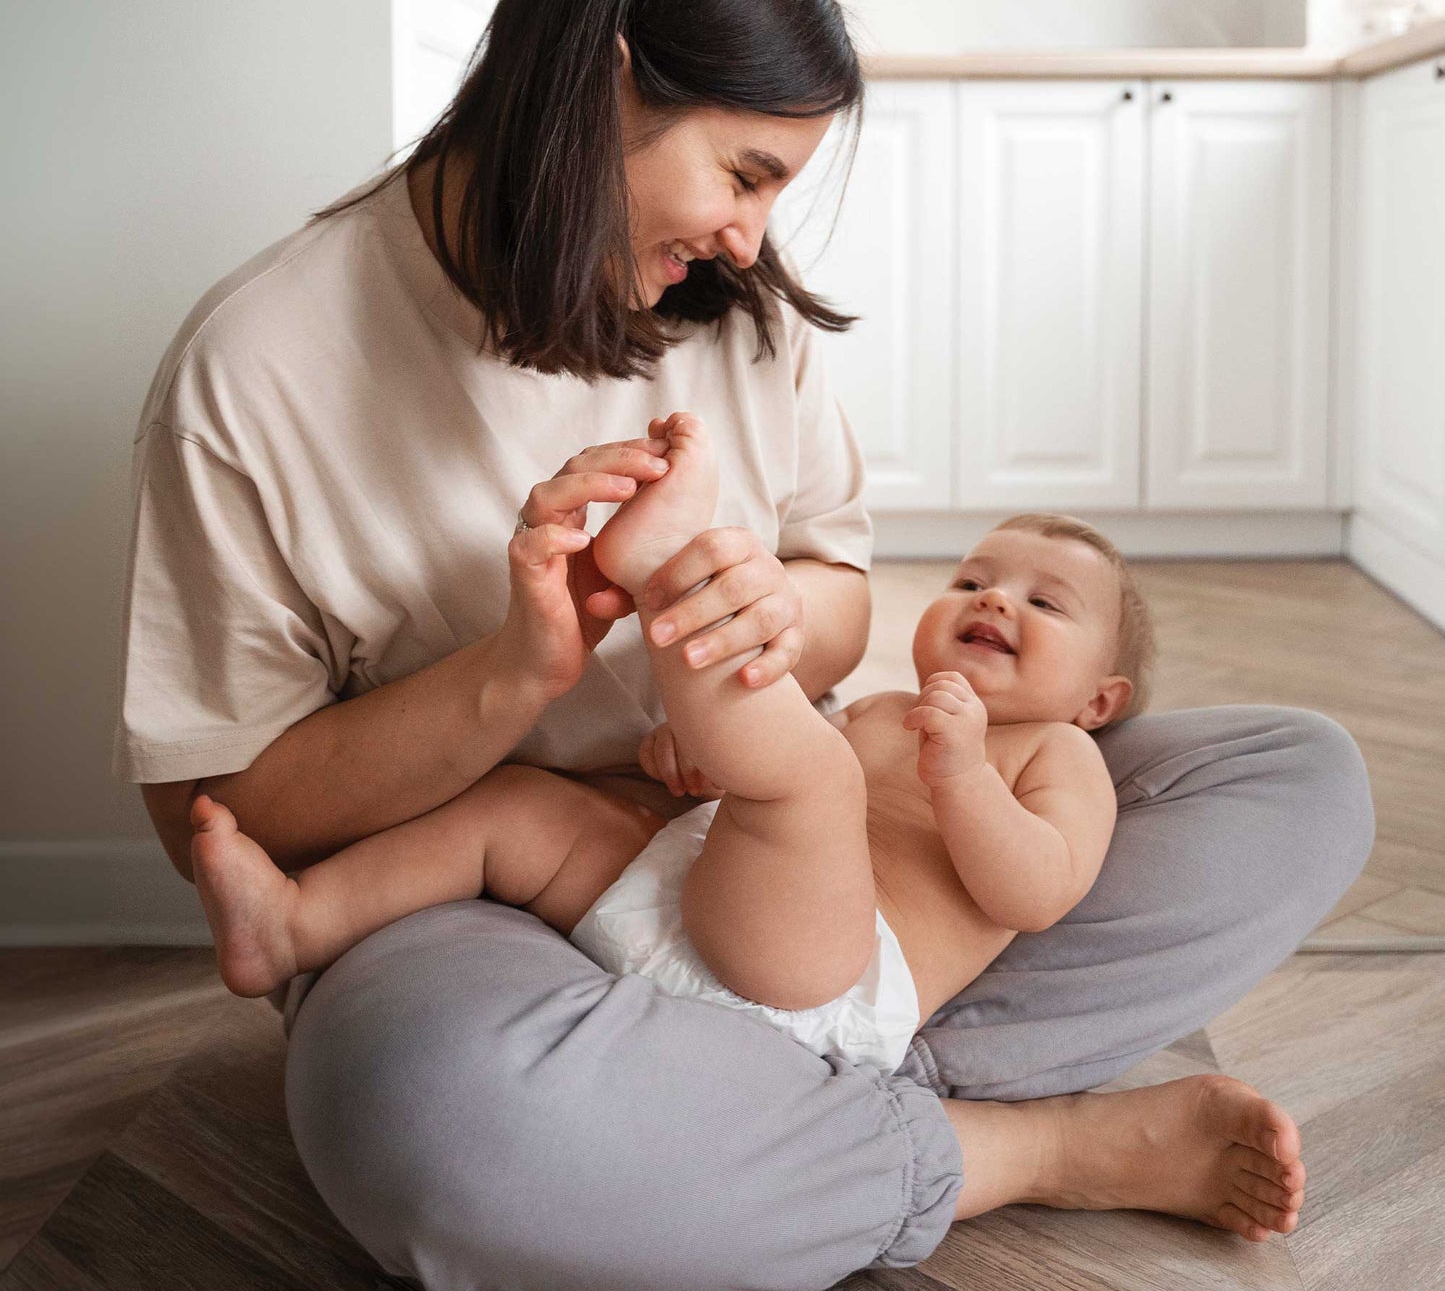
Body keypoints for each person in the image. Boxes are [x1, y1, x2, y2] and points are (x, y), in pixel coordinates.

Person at [113, 0, 1373, 1291]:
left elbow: (838, 588)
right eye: (749, 173)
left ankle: (711, 1158)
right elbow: (221, 814)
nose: (753, 241)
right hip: (498, 914)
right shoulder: (259, 366)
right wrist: (508, 677)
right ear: (602, 87)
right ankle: (1011, 1147)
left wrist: (782, 612)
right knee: (441, 1129)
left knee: (1295, 778)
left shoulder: (728, 309)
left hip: (786, 877)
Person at [189, 432, 1166, 1095]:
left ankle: (668, 567)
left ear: (1098, 698)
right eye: (973, 579)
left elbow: (1033, 890)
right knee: (522, 808)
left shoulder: (1057, 751)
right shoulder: (879, 706)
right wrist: (700, 759)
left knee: (808, 781)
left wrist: (960, 776)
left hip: (823, 982)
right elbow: (766, 811)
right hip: (692, 905)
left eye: (1044, 604)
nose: (994, 600)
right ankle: (293, 924)